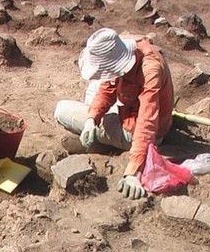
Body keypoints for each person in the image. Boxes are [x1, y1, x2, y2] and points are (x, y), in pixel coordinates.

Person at [54, 28, 174, 200]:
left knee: (62, 110)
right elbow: (107, 89)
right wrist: (91, 118)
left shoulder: (150, 71)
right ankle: (100, 139)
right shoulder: (130, 50)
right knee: (94, 90)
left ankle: (101, 145)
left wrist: (133, 172)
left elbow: (146, 123)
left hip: (139, 133)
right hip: (129, 110)